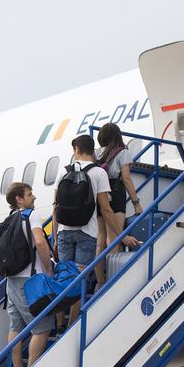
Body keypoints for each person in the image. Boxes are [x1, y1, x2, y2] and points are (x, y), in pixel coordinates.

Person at [55, 135, 134, 326]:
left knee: (63, 280)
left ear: (76, 149)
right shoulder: (99, 173)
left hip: (64, 232)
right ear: (93, 150)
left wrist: (55, 236)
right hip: (86, 234)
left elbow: (55, 207)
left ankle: (58, 327)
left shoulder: (63, 173)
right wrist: (122, 235)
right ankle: (71, 326)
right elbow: (106, 210)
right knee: (80, 281)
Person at [3, 183, 54, 367]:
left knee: (15, 326)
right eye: (30, 194)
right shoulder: (30, 215)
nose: (34, 198)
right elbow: (40, 242)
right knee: (42, 327)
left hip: (12, 281)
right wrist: (49, 269)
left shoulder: (9, 219)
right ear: (19, 199)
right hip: (30, 280)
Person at [95, 123, 142, 284]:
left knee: (100, 240)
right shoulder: (123, 153)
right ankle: (112, 282)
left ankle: (100, 282)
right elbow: (126, 178)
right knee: (113, 239)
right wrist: (136, 202)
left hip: (98, 194)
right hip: (115, 193)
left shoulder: (96, 153)